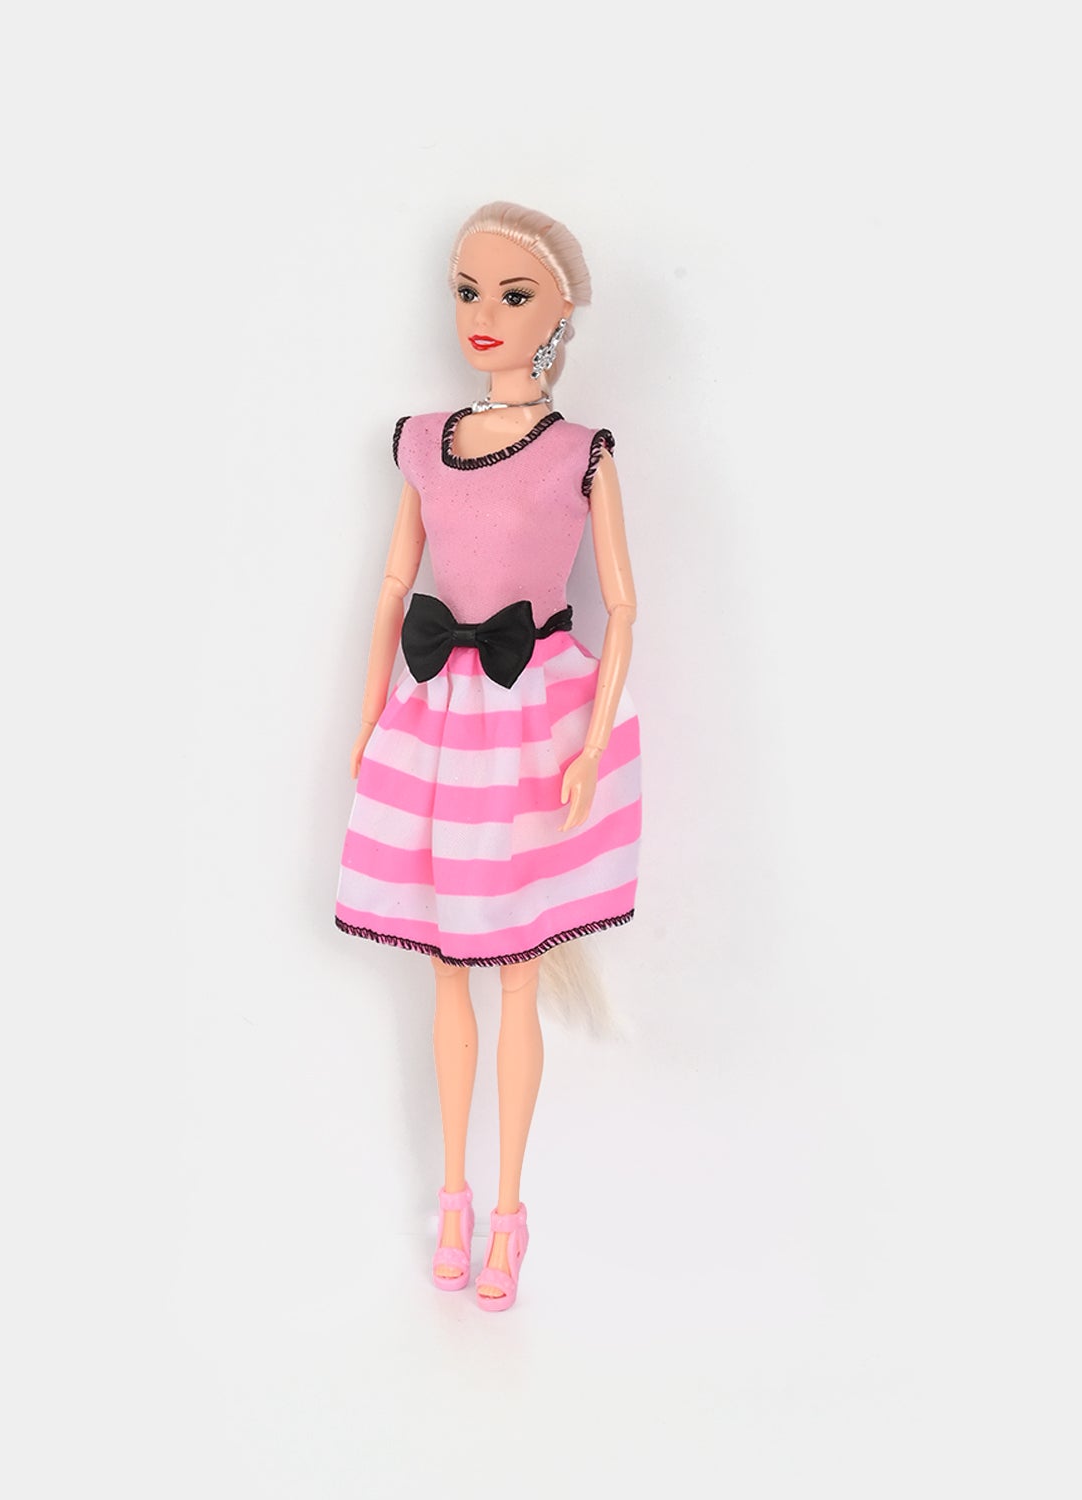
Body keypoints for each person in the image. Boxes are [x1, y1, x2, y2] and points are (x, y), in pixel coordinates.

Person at [335, 201, 642, 1310]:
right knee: (445, 974)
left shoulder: (578, 453)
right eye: (468, 290)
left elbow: (622, 602)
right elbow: (392, 585)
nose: (484, 314)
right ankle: (453, 1199)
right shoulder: (424, 440)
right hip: (438, 720)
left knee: (512, 970)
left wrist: (593, 743)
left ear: (560, 316)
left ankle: (508, 1213)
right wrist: (369, 713)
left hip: (531, 718)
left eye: (514, 295)